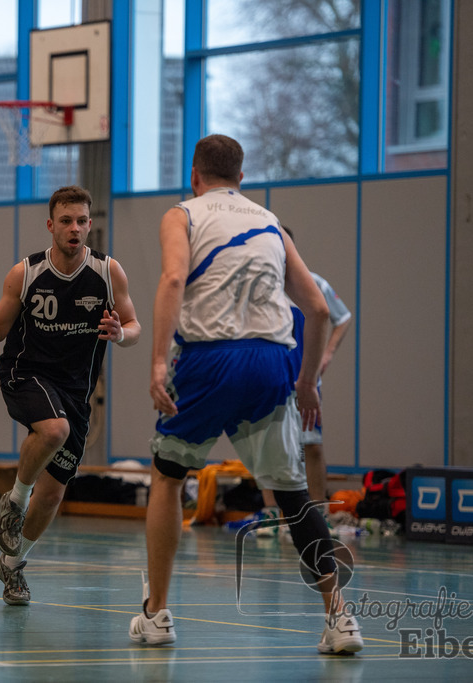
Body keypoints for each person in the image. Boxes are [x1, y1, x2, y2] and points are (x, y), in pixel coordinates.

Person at [132, 135, 362, 654]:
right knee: (294, 497)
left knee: (168, 477)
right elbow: (319, 311)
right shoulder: (271, 223)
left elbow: (172, 280)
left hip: (211, 359)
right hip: (271, 363)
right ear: (242, 176)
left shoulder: (182, 214)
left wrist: (157, 361)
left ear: (195, 175)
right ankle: (341, 622)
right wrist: (305, 383)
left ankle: (158, 614)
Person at [0, 185, 140, 606]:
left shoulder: (109, 272)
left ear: (91, 224)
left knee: (53, 494)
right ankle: (14, 502)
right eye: (66, 221)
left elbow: (134, 325)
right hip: (25, 373)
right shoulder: (26, 273)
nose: (75, 228)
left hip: (76, 389)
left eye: (82, 221)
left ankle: (13, 565)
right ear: (51, 226)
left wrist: (122, 334)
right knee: (53, 429)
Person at [252, 227, 353, 535]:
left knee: (312, 445)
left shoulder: (311, 283)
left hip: (304, 379)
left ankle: (318, 509)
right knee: (265, 444)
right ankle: (272, 512)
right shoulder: (257, 284)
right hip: (267, 377)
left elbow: (342, 317)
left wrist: (327, 355)